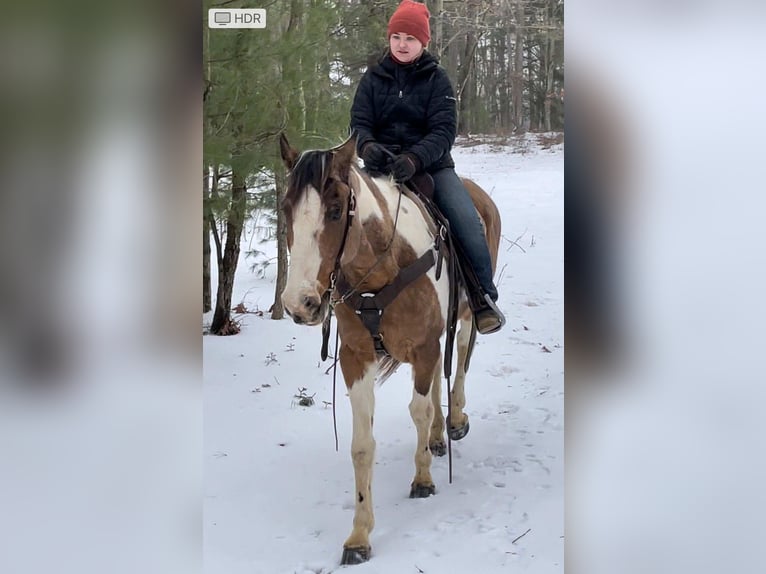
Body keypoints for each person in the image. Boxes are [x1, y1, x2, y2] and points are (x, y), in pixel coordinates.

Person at [349, 0, 505, 334]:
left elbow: (444, 130)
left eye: (410, 38)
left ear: (424, 43)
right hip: (379, 168)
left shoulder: (437, 80)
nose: (402, 44)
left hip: (430, 167)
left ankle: (482, 298)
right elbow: (359, 124)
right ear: (389, 38)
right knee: (342, 218)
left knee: (466, 219)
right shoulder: (372, 79)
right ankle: (337, 297)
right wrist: (368, 146)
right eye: (397, 37)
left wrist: (415, 158)